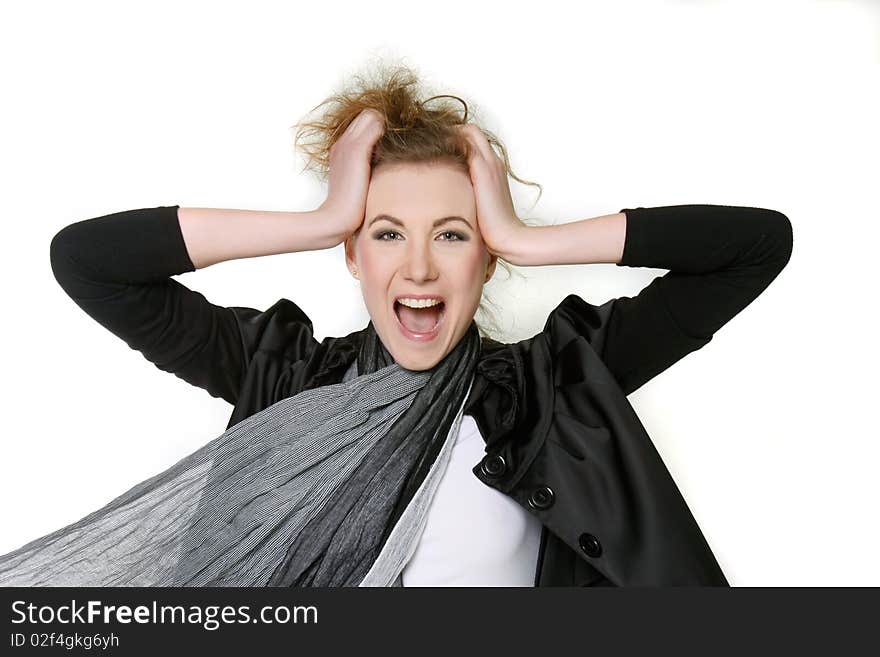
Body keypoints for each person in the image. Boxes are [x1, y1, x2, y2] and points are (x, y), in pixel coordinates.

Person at [0, 65, 792, 587]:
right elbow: (87, 261)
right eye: (385, 232)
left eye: (452, 234)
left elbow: (757, 247)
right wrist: (323, 217)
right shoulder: (280, 375)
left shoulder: (559, 383)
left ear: (484, 261)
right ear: (354, 255)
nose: (417, 267)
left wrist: (528, 237)